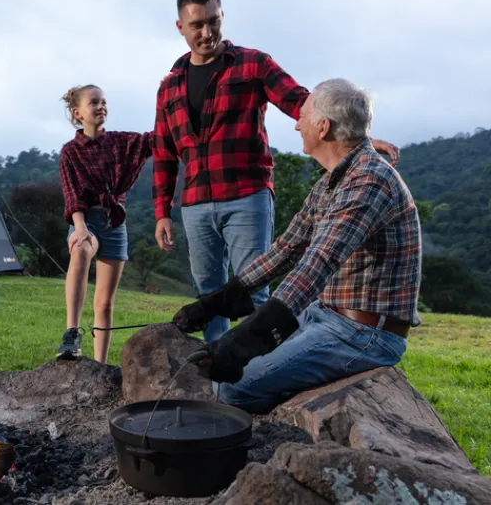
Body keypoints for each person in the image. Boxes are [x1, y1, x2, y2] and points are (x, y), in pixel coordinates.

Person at [152, 0, 399, 344]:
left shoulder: (253, 63)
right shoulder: (169, 86)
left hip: (246, 196)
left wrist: (353, 136)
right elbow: (163, 151)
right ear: (180, 27)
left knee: (254, 290)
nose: (206, 33)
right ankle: (213, 372)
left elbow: (300, 101)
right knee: (207, 294)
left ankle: (257, 372)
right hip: (194, 204)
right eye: (196, 26)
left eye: (212, 22)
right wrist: (161, 211)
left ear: (222, 17)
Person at [173, 78, 422, 414]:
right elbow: (286, 250)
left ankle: (277, 432)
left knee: (233, 388)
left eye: (302, 117)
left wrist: (249, 338)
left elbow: (317, 264)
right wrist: (214, 302)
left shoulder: (371, 181)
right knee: (225, 368)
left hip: (363, 334)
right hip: (323, 315)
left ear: (323, 127)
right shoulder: (332, 181)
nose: (296, 124)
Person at [56, 84, 153, 364]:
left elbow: (152, 141)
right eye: (94, 103)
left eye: (104, 102)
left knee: (105, 303)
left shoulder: (120, 142)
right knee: (82, 250)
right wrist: (81, 228)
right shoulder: (69, 152)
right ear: (78, 113)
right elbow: (72, 194)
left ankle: (99, 364)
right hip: (85, 219)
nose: (101, 107)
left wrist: (170, 99)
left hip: (115, 221)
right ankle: (71, 333)